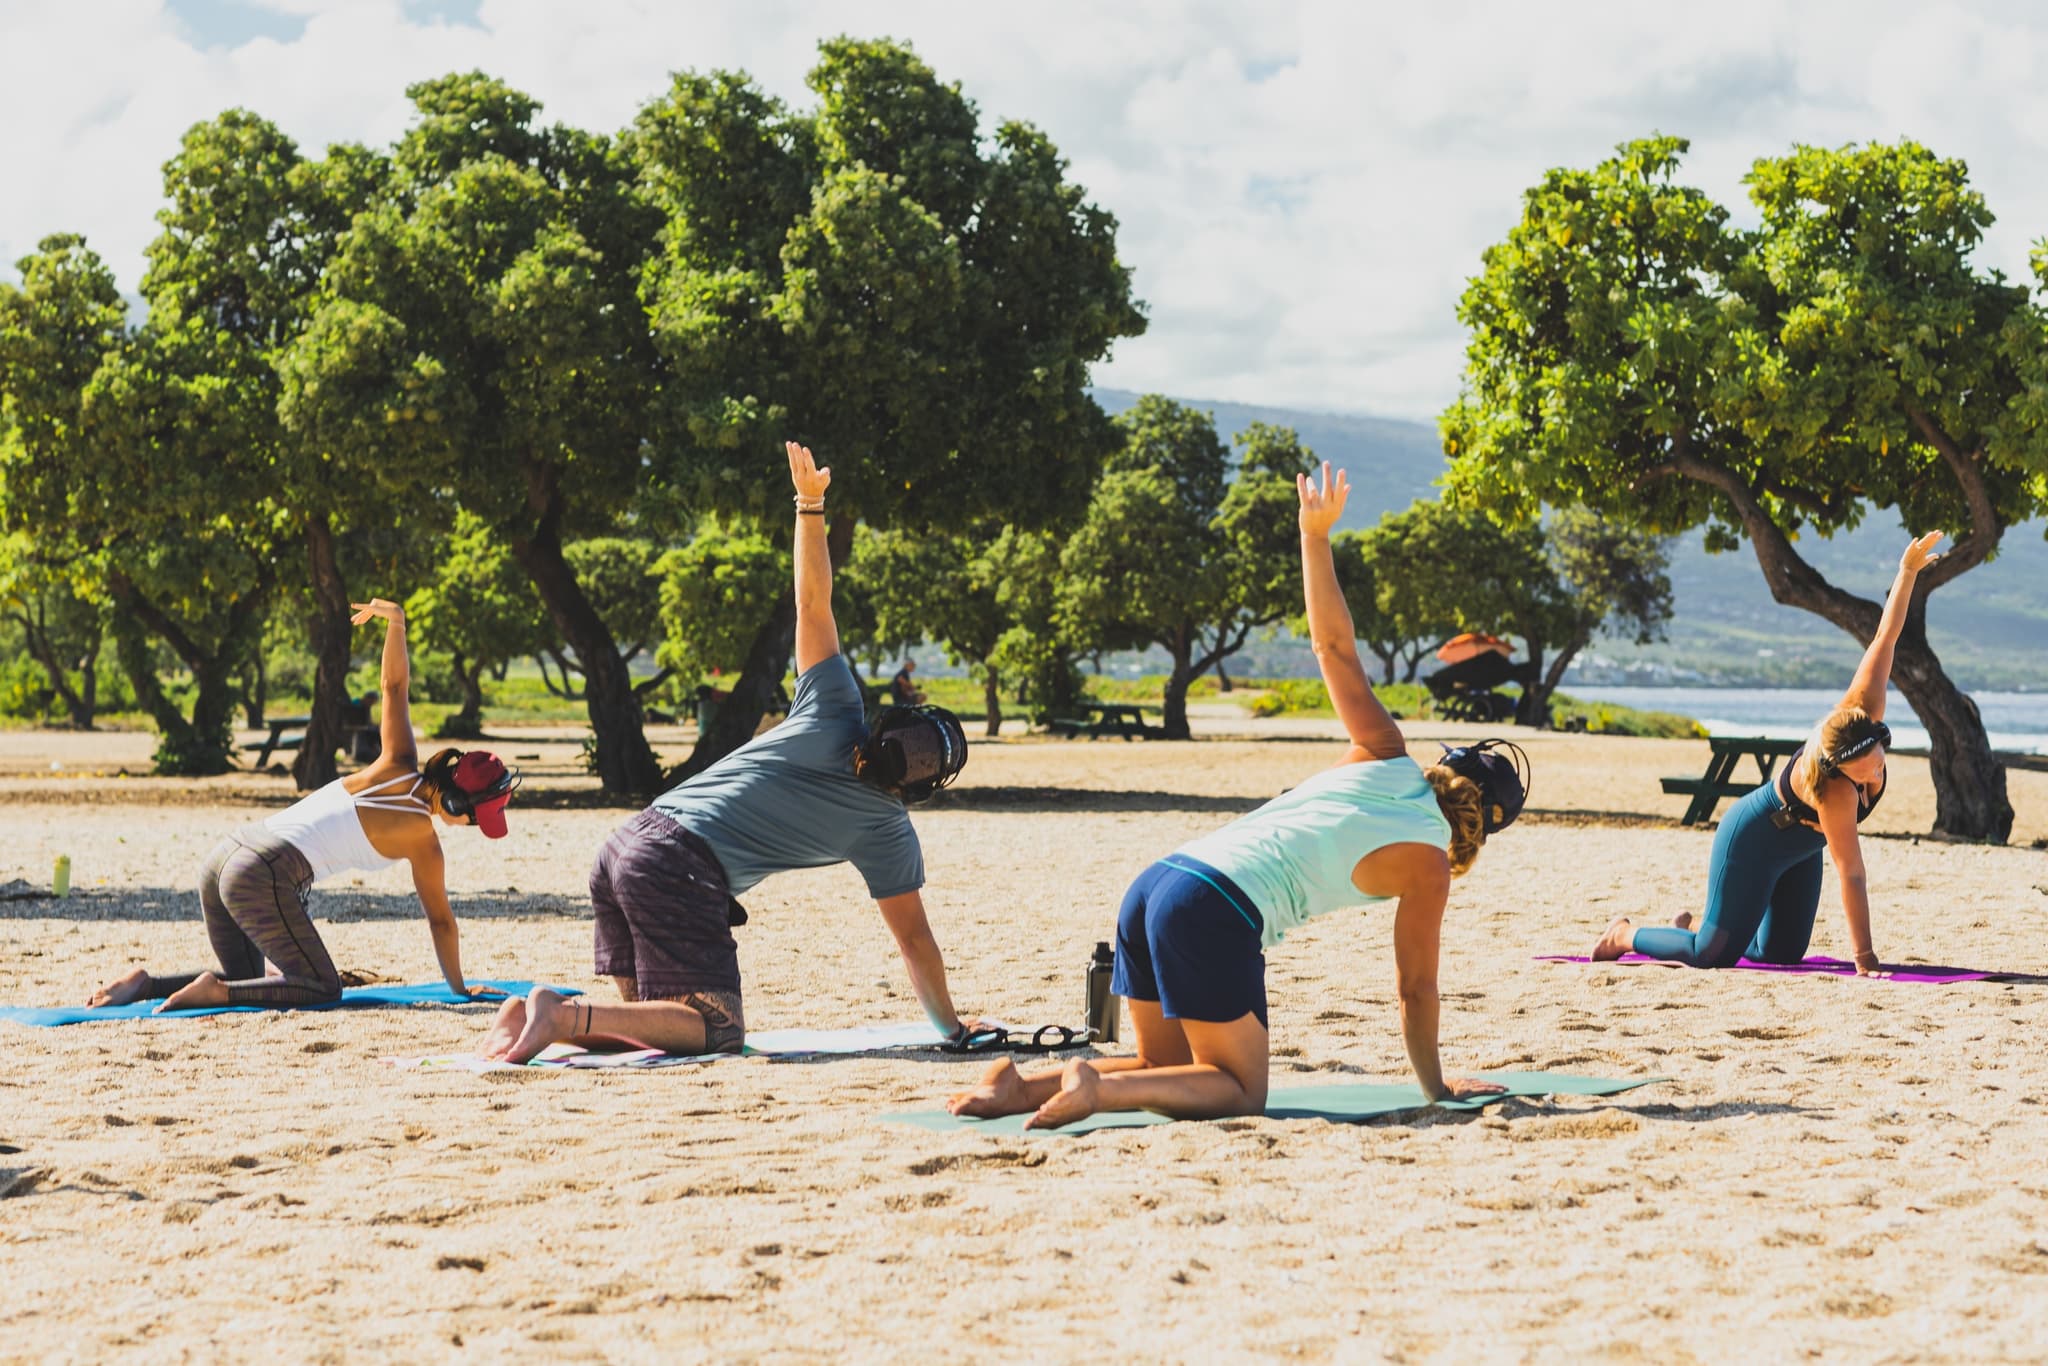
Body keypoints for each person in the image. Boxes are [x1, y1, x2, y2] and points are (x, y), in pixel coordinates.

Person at [948, 463, 1528, 1129]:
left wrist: (1314, 536)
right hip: (1212, 908)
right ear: (1478, 828)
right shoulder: (1428, 864)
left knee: (1163, 1069)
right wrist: (1436, 1087)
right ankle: (1094, 1092)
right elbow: (1415, 990)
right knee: (1239, 1090)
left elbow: (1333, 647)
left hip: (1158, 881)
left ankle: (1017, 1085)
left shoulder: (1383, 754)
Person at [480, 441, 977, 1062]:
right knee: (716, 1030)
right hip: (675, 869)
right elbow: (915, 944)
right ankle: (558, 1013)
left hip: (626, 842)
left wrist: (810, 504)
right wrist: (952, 1030)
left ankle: (530, 1014)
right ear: (922, 788)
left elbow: (812, 601)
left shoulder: (834, 706)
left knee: (650, 1028)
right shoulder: (888, 828)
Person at [88, 600, 516, 1012]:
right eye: (475, 818)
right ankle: (215, 993)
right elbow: (441, 923)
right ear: (459, 799)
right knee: (323, 988)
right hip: (260, 875)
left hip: (223, 859)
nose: (471, 826)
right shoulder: (424, 843)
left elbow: (394, 686)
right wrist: (461, 989)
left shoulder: (396, 760)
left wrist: (397, 622)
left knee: (250, 977)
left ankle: (145, 985)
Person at [1592, 530, 1946, 976]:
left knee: (1780, 956)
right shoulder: (1835, 791)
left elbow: (1886, 638)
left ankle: (1697, 926)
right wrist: (1865, 959)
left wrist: (1906, 572)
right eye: (1863, 772)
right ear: (1839, 770)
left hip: (1801, 849)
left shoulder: (1863, 710)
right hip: (1753, 840)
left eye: (1879, 756)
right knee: (1710, 955)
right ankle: (1625, 934)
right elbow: (1852, 874)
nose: (1876, 771)